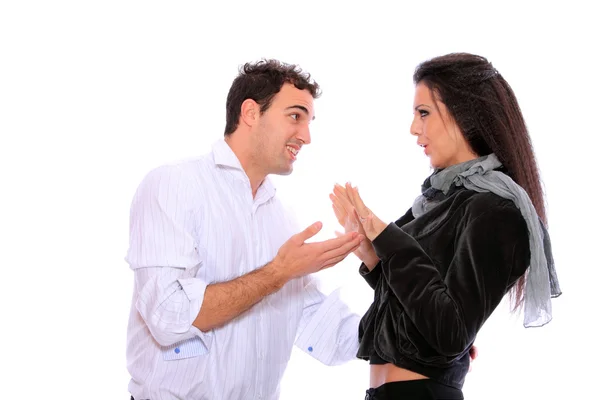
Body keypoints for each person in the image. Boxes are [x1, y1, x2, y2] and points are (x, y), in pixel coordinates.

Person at [124, 59, 366, 400]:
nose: (307, 136)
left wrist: (426, 342)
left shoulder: (283, 219)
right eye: (295, 116)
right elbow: (168, 315)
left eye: (310, 122)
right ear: (251, 113)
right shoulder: (174, 185)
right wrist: (279, 272)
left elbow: (324, 331)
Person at [330, 53, 561, 399]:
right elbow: (417, 305)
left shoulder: (497, 209)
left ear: (464, 112)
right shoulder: (439, 197)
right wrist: (373, 254)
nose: (413, 128)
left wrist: (383, 233)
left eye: (423, 113)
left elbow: (450, 332)